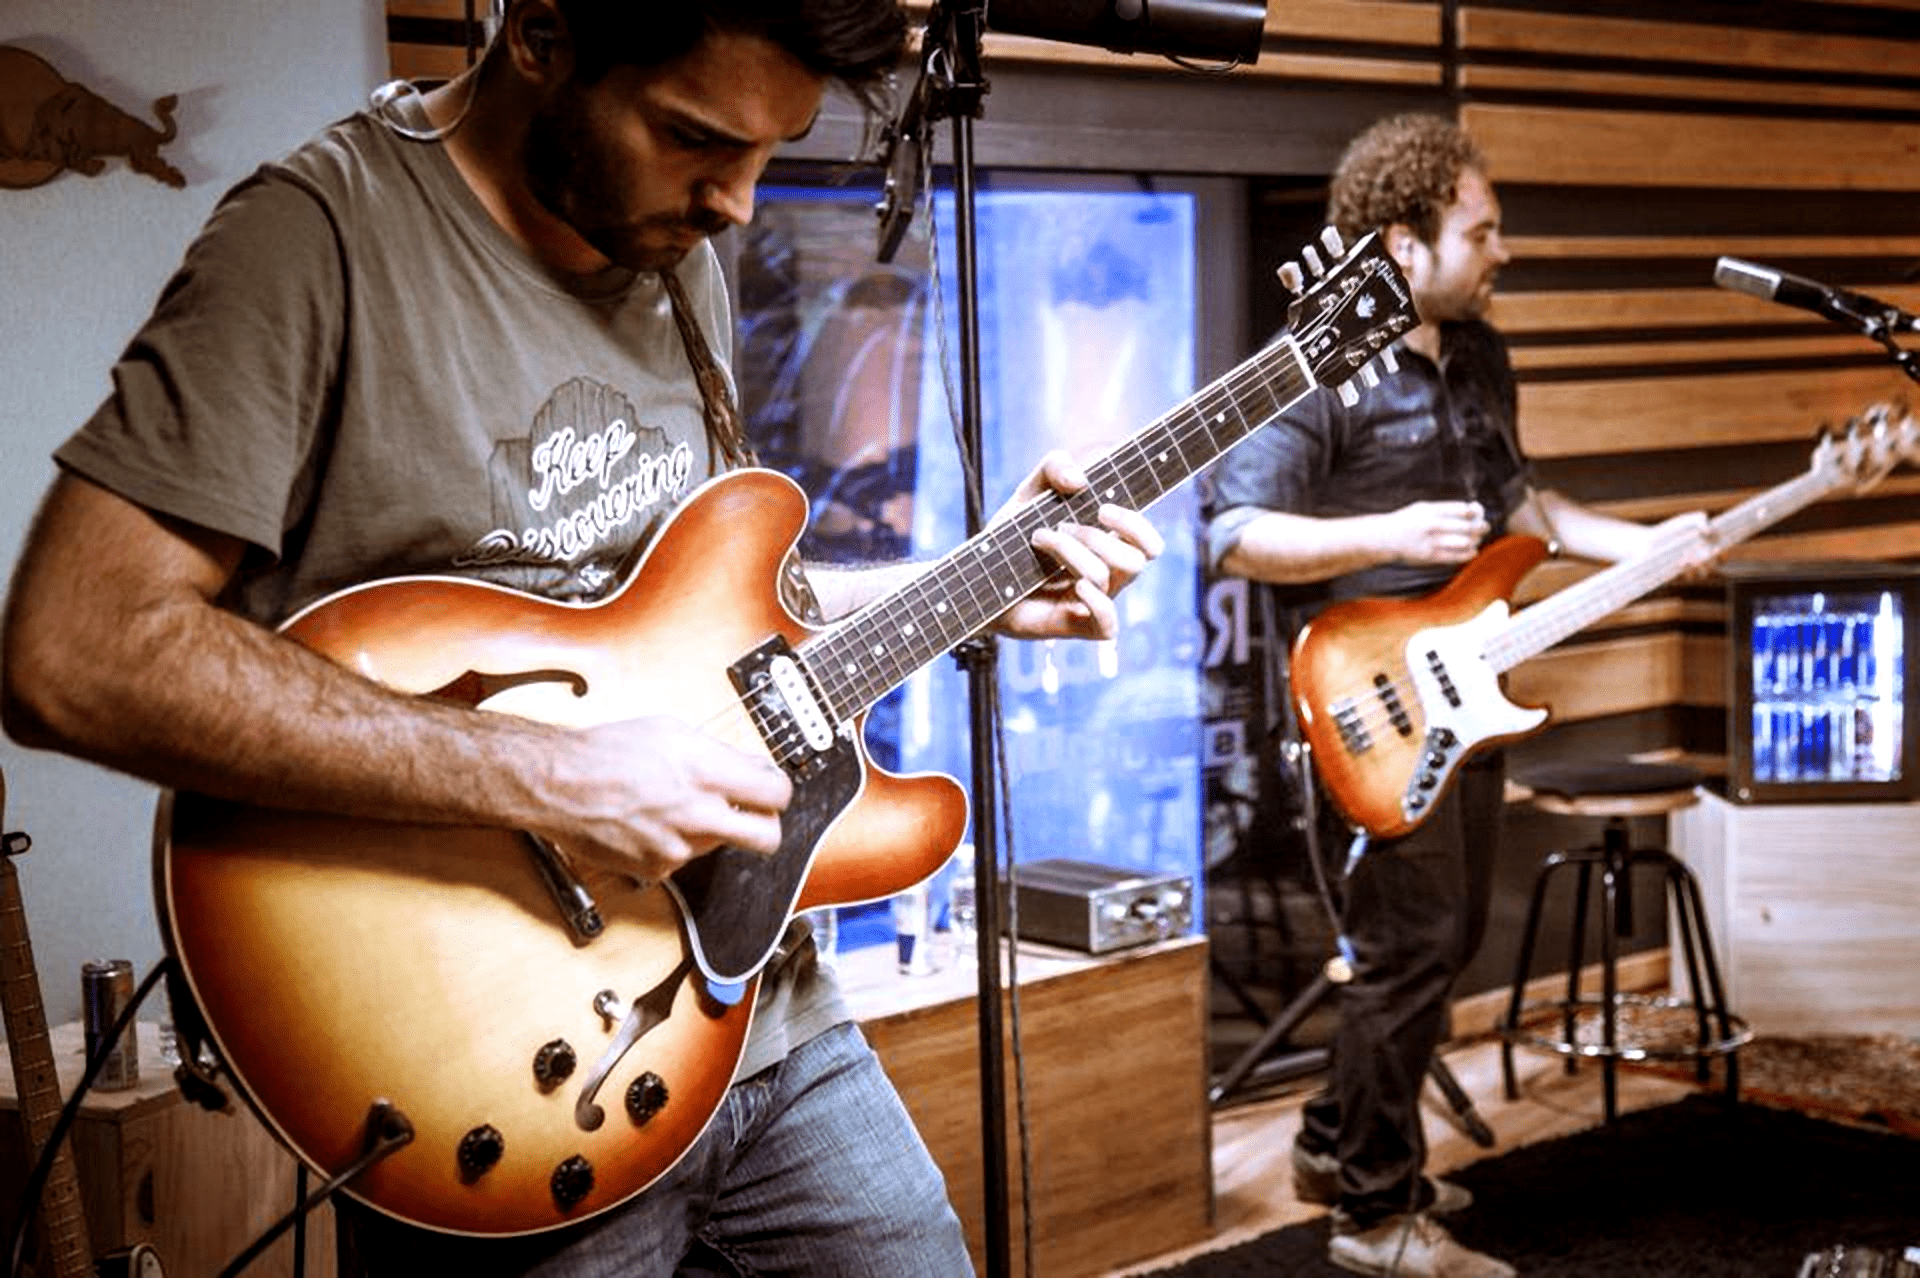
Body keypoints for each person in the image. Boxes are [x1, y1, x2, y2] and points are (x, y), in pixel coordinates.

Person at [0, 2, 1165, 1274]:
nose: (737, 203)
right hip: (492, 1064)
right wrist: (552, 775)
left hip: (760, 1009)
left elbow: (693, 620)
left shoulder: (674, 248)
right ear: (542, 36)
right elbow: (78, 649)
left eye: (768, 153)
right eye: (696, 138)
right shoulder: (314, 241)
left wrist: (962, 583)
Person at [1205, 113, 1709, 1278]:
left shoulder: (1480, 353)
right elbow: (1234, 535)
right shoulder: (1316, 363)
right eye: (1481, 232)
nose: (1502, 251)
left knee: (1446, 938)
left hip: (1472, 693)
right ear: (1404, 242)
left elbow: (1527, 514)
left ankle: (1332, 1145)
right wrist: (1387, 532)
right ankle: (1375, 1220)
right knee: (1409, 948)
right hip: (1370, 712)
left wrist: (1653, 545)